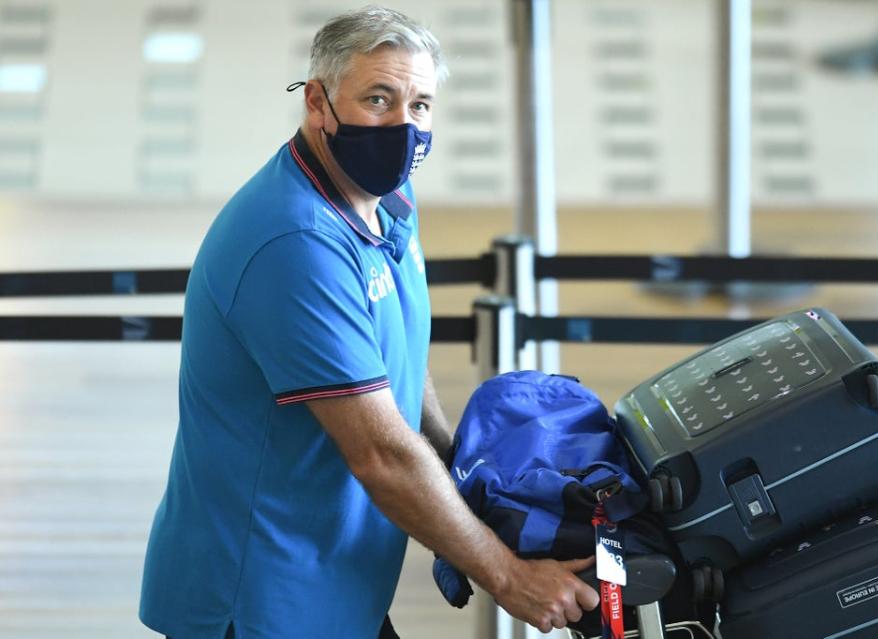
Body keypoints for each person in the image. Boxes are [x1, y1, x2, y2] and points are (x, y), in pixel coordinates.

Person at [139, 6, 598, 638]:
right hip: (260, 596)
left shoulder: (388, 204)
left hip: (334, 580)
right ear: (319, 105)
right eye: (378, 99)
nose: (403, 126)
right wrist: (508, 576)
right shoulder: (295, 242)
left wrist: (470, 486)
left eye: (421, 105)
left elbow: (397, 363)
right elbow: (381, 454)